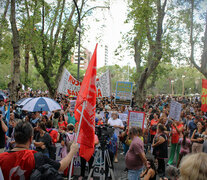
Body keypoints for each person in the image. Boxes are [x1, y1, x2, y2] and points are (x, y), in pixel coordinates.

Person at [0, 121, 79, 180]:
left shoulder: (1, 158)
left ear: (14, 137)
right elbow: (61, 167)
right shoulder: (36, 157)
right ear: (31, 139)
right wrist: (72, 151)